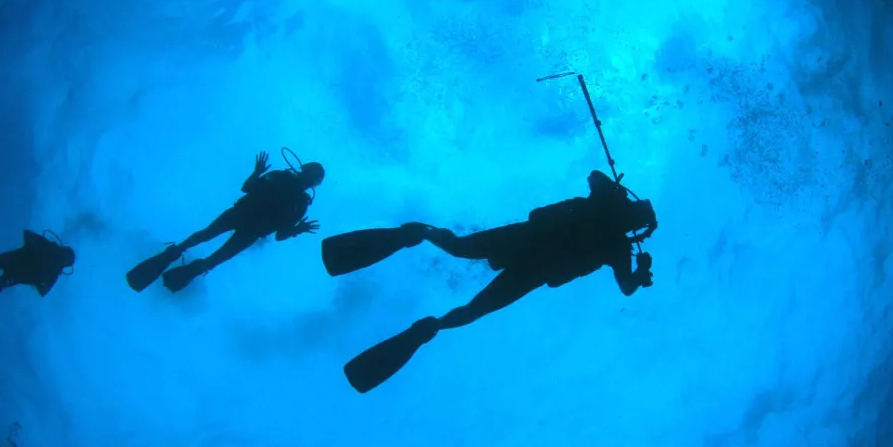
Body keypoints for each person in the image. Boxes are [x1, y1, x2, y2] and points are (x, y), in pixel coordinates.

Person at [322, 169, 658, 392]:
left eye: (637, 215)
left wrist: (639, 272)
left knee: (473, 303)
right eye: (637, 210)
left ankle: (429, 325)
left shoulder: (617, 243)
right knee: (460, 251)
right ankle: (419, 233)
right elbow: (595, 176)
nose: (632, 216)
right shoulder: (610, 213)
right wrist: (616, 197)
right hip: (529, 247)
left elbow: (626, 286)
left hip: (534, 266)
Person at [127, 152, 323, 294]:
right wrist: (296, 230)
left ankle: (171, 266)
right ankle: (174, 272)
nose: (305, 179)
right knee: (210, 251)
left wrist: (296, 229)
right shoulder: (297, 199)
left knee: (207, 243)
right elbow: (279, 233)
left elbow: (249, 190)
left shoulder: (291, 192)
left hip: (243, 221)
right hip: (246, 225)